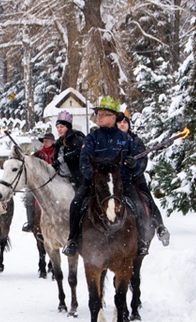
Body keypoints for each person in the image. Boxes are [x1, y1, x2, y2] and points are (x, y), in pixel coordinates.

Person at [62, 96, 149, 257]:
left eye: (103, 114)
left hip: (121, 183)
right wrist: (94, 177)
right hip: (95, 183)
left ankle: (141, 240)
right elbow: (84, 162)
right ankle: (73, 239)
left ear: (114, 117)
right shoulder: (91, 138)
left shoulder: (125, 139)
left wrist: (133, 166)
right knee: (76, 203)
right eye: (98, 114)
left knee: (138, 205)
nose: (99, 117)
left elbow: (139, 161)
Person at [117, 114, 170, 246]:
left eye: (125, 122)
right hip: (117, 180)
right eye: (119, 122)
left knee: (146, 201)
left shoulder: (136, 141)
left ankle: (160, 227)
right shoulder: (112, 141)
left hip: (135, 180)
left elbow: (142, 162)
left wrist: (134, 166)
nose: (122, 124)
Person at [22, 132, 56, 233]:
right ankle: (31, 223)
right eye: (44, 141)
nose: (45, 142)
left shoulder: (57, 152)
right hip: (40, 183)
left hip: (55, 180)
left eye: (47, 140)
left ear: (52, 141)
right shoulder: (38, 154)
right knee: (29, 197)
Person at [52, 110, 85, 188]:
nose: (59, 129)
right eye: (57, 127)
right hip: (61, 177)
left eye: (62, 127)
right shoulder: (58, 142)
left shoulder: (76, 138)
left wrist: (63, 158)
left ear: (68, 127)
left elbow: (78, 152)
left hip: (76, 177)